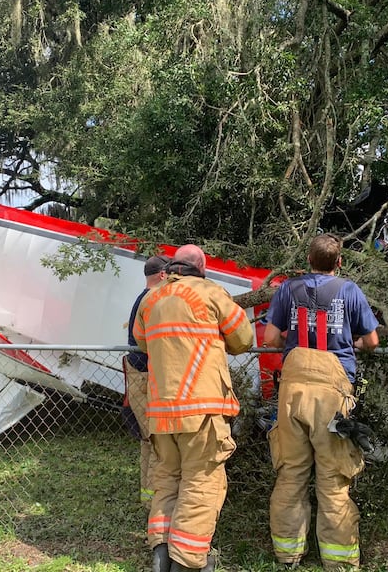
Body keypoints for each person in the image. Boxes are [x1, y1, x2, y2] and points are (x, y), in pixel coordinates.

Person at [133, 244, 254, 572]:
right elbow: (244, 339)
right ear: (202, 267)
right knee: (201, 482)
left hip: (161, 411)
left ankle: (161, 552)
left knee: (168, 478)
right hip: (202, 410)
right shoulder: (211, 293)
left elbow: (141, 341)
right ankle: (186, 563)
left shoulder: (151, 299)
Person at [263, 233, 379, 569]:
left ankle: (288, 554)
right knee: (333, 477)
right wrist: (353, 345)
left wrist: (292, 339)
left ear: (309, 261)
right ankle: (338, 562)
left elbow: (271, 338)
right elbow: (371, 340)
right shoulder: (349, 291)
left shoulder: (288, 289)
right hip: (333, 392)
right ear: (338, 262)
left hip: (293, 391)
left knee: (291, 473)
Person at [123, 254, 169, 508]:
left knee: (148, 439)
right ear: (163, 275)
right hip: (145, 376)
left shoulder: (144, 299)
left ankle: (149, 497)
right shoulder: (153, 300)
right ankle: (156, 501)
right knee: (156, 439)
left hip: (140, 375)